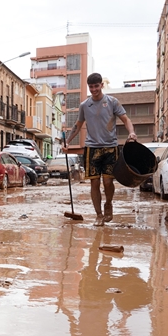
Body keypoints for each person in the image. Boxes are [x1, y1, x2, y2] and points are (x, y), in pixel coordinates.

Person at [63, 73, 136, 226]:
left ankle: (108, 203)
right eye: (91, 87)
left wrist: (131, 132)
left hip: (110, 147)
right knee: (94, 183)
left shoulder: (112, 102)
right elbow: (78, 125)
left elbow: (125, 119)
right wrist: (68, 142)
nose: (94, 89)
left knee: (108, 182)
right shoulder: (85, 105)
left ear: (101, 85)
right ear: (89, 87)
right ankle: (99, 215)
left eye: (97, 86)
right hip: (92, 148)